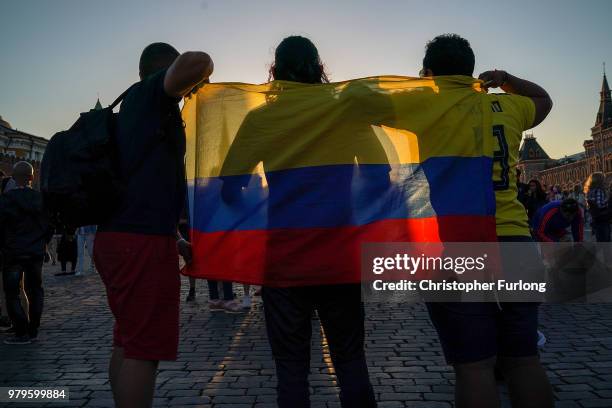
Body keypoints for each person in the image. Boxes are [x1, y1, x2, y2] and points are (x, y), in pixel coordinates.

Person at [221, 36, 378, 408]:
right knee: (351, 360)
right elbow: (380, 178)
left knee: (290, 368)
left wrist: (259, 208)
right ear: (319, 68)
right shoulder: (347, 114)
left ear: (274, 72)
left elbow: (229, 189)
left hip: (284, 259)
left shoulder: (261, 119)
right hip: (340, 256)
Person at [420, 34, 554, 408]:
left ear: (430, 74)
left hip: (460, 246)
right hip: (514, 241)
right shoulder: (507, 106)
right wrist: (507, 78)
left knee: (475, 367)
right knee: (524, 360)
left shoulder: (422, 109)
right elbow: (543, 100)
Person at [93, 43, 212, 408]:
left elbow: (143, 184)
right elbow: (198, 61)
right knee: (143, 349)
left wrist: (174, 238)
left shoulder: (135, 111)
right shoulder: (153, 95)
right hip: (139, 243)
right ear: (164, 70)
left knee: (127, 340)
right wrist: (194, 72)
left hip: (121, 236)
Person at [0, 161, 52, 344]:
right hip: (35, 253)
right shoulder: (41, 199)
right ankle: (33, 329)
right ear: (32, 177)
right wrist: (42, 243)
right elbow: (50, 226)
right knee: (35, 290)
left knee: (12, 293)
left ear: (13, 178)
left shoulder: (5, 201)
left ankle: (21, 331)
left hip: (13, 253)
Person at [584, 172, 610, 242]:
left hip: (595, 219)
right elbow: (599, 205)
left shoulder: (589, 191)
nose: (605, 180)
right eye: (603, 178)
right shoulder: (599, 190)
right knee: (606, 240)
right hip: (602, 218)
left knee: (600, 240)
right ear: (599, 180)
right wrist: (607, 201)